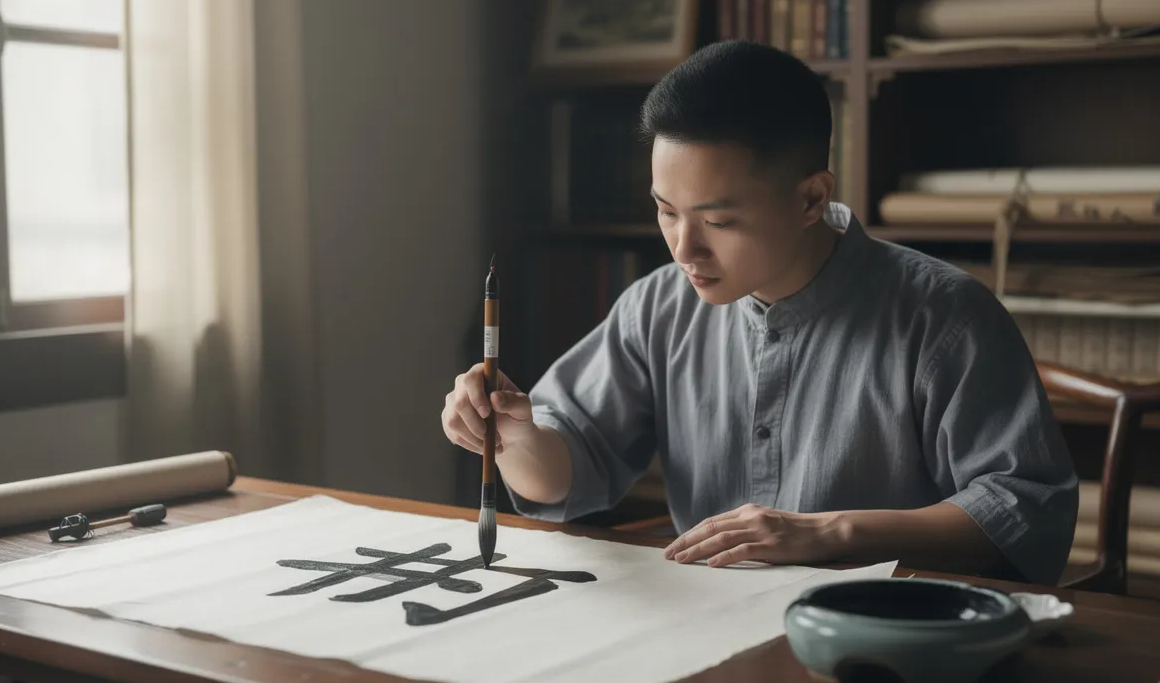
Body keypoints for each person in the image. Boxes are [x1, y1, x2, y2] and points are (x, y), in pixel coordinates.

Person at [441, 40, 1078, 586]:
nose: (684, 248)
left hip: (886, 636)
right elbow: (569, 465)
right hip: (710, 632)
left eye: (718, 220)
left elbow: (1023, 510)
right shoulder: (659, 306)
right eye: (666, 210)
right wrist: (517, 436)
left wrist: (828, 533)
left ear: (810, 197)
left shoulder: (945, 317)